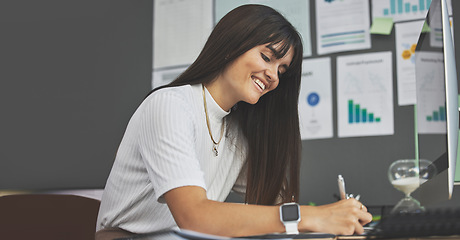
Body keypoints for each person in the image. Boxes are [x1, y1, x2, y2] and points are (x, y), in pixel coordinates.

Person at [95, 4, 372, 239]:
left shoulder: (237, 132)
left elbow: (271, 208)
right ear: (231, 46)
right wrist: (311, 216)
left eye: (281, 70)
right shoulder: (171, 106)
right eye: (267, 57)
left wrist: (332, 218)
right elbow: (194, 216)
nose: (274, 75)